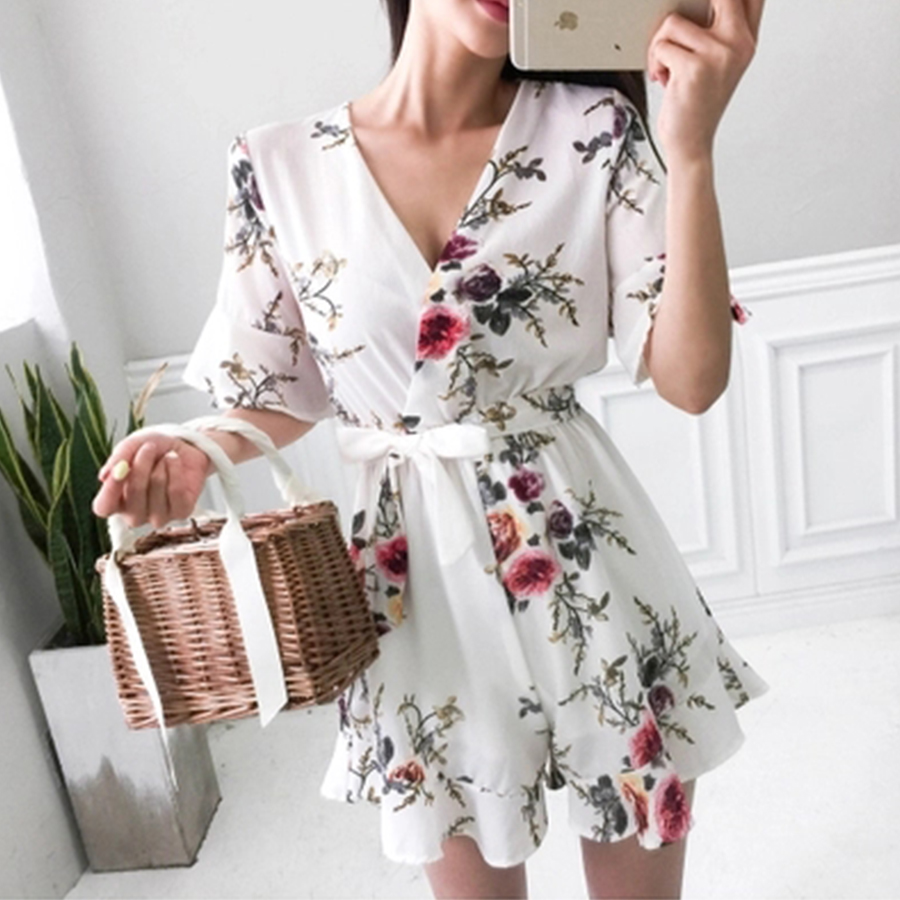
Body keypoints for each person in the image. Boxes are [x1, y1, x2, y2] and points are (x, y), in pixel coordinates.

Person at [93, 0, 769, 896]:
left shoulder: (596, 131)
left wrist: (692, 151)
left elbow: (692, 380)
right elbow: (276, 389)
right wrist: (191, 450)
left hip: (586, 564)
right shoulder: (279, 165)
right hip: (414, 596)